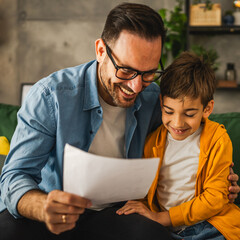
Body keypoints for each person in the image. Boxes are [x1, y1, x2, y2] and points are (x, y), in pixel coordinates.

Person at [0, 3, 238, 240]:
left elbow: (193, 134)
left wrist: (220, 179)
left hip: (118, 213)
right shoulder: (50, 96)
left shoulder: (155, 99)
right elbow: (14, 176)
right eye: (125, 70)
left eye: (148, 73)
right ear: (101, 51)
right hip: (53, 211)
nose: (135, 87)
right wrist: (43, 206)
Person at [116, 52, 240, 239]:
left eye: (189, 114)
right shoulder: (152, 142)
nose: (177, 123)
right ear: (161, 103)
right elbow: (144, 187)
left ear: (207, 109)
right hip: (167, 230)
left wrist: (163, 218)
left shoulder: (217, 139)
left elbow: (215, 198)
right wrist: (139, 207)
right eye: (169, 111)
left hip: (210, 225)